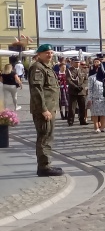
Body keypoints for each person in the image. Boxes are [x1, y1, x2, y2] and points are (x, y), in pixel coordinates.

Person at [28, 45, 64, 177]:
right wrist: (44, 110)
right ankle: (44, 167)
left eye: (50, 52)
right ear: (39, 54)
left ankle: (46, 164)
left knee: (48, 136)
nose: (49, 55)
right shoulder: (37, 67)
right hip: (43, 109)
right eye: (46, 53)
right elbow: (37, 90)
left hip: (50, 108)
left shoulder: (46, 67)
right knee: (44, 137)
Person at [65, 57, 88, 126]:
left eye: (78, 62)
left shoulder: (83, 70)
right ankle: (70, 120)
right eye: (76, 62)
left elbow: (86, 80)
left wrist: (82, 86)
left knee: (82, 107)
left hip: (81, 91)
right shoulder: (69, 70)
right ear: (72, 63)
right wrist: (75, 87)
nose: (77, 64)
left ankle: (82, 120)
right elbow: (68, 80)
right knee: (72, 107)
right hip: (73, 91)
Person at [86, 68, 105, 133]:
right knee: (95, 113)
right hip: (95, 98)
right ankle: (96, 127)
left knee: (104, 113)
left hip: (103, 97)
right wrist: (90, 99)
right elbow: (90, 89)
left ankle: (103, 127)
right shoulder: (92, 78)